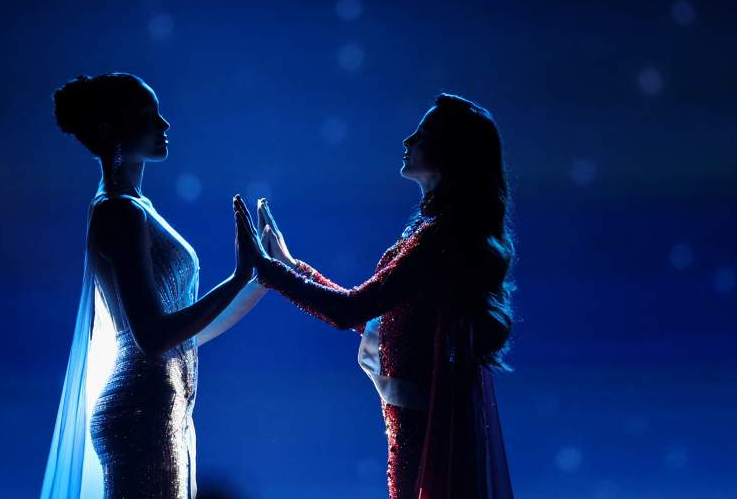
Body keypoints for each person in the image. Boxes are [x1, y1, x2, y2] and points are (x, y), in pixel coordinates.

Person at [236, 94, 515, 498]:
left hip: (423, 439)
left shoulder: (440, 237)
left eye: (420, 134)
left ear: (447, 150)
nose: (406, 141)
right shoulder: (434, 229)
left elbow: (351, 311)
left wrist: (268, 271)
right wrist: (292, 266)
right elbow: (375, 316)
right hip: (415, 433)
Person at [41, 72, 264, 499]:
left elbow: (186, 339)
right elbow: (153, 336)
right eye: (149, 116)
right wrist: (239, 277)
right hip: (143, 410)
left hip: (158, 406)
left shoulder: (135, 208)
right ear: (111, 131)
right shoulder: (119, 212)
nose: (165, 125)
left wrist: (257, 281)